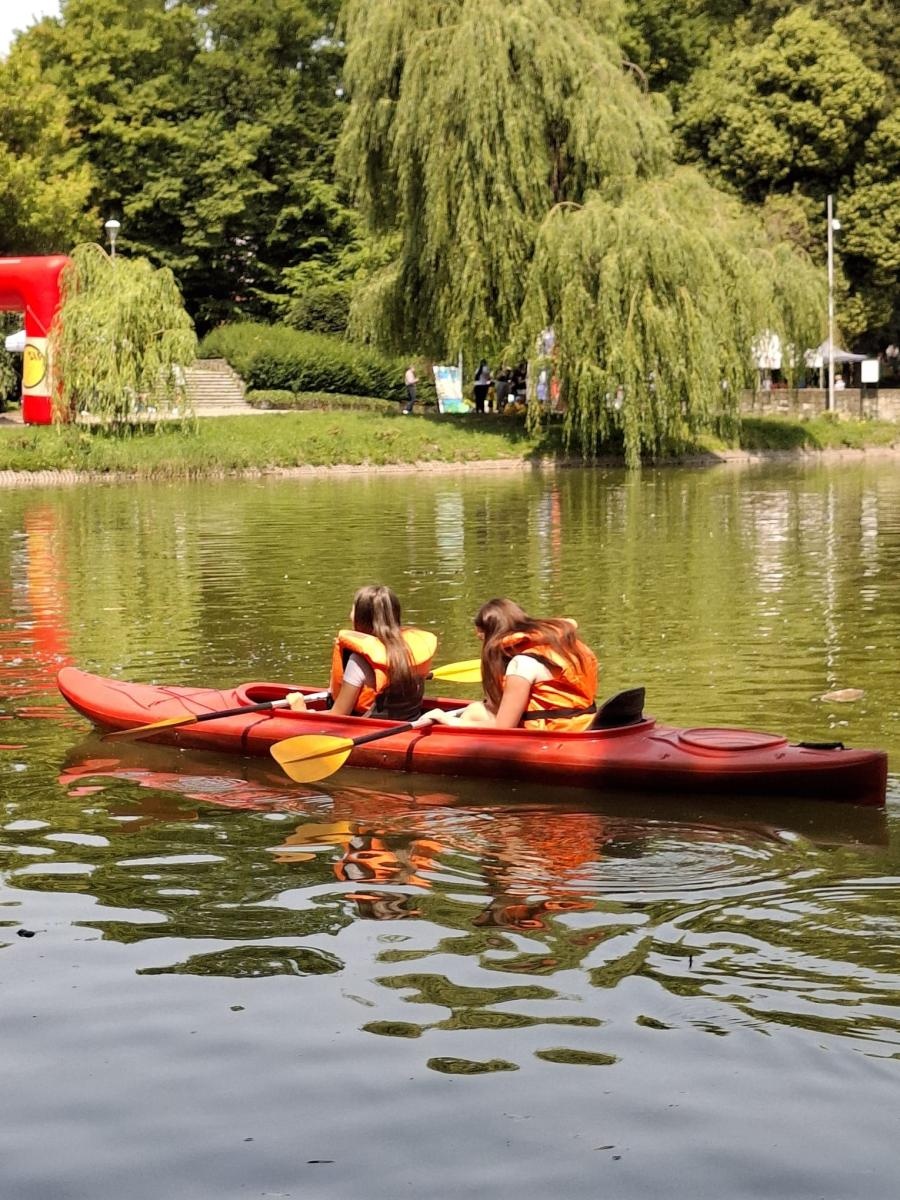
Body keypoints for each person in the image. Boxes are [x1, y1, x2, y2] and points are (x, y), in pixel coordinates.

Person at [425, 597, 598, 731]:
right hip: (584, 723)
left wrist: (448, 720)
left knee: (474, 713)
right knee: (478, 708)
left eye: (482, 639)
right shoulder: (563, 646)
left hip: (552, 733)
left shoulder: (522, 664)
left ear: (490, 636)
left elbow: (504, 727)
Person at [289, 585, 437, 720]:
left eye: (353, 609)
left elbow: (338, 717)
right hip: (409, 723)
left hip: (378, 732)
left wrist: (300, 709)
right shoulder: (408, 651)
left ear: (361, 618)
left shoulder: (359, 660)